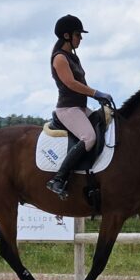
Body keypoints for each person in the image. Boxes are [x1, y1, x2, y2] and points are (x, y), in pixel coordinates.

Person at [46, 15, 115, 199]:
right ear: (67, 36)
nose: (81, 38)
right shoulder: (60, 58)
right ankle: (58, 179)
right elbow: (71, 83)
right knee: (89, 138)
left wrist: (97, 98)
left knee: (106, 123)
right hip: (68, 109)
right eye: (78, 34)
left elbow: (80, 84)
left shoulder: (73, 57)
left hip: (80, 108)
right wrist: (96, 93)